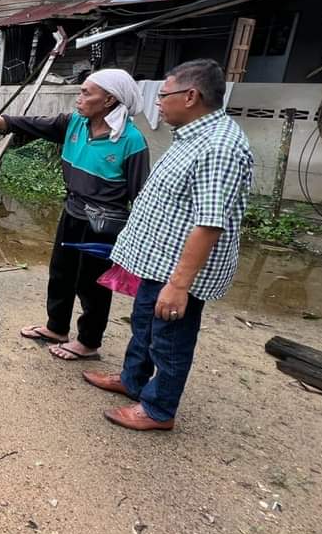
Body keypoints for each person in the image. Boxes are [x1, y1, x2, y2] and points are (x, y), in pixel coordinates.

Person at [83, 59, 253, 431]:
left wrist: (179, 285)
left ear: (190, 96)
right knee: (144, 324)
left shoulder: (219, 146)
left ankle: (159, 410)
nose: (157, 102)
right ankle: (132, 380)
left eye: (163, 95)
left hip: (179, 270)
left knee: (171, 338)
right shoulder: (192, 136)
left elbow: (210, 224)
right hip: (157, 261)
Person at [0, 68, 149, 361]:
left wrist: (136, 241)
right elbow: (31, 124)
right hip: (72, 212)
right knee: (61, 273)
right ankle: (57, 328)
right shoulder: (74, 124)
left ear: (109, 100)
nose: (79, 98)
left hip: (103, 224)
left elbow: (141, 195)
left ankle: (88, 342)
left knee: (92, 285)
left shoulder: (130, 140)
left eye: (87, 92)